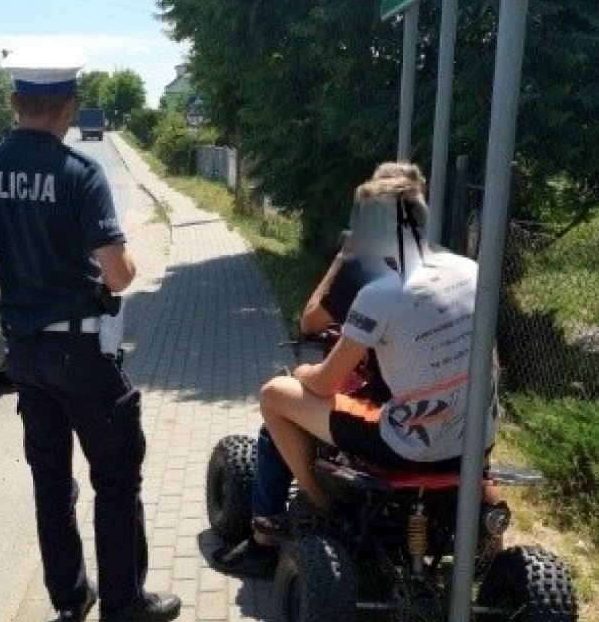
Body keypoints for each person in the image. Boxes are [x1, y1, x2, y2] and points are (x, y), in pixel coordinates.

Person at [0, 62, 180, 622]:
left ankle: (69, 599)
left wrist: (28, 278)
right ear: (69, 106)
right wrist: (114, 267)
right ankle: (123, 601)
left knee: (51, 479)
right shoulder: (79, 171)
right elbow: (118, 276)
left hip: (24, 355)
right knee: (116, 475)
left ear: (13, 102)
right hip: (81, 354)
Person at [213, 165, 502, 577]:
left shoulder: (380, 293)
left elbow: (327, 376)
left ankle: (318, 504)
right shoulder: (471, 271)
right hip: (477, 437)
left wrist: (303, 376)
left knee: (275, 395)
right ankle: (491, 546)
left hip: (408, 443)